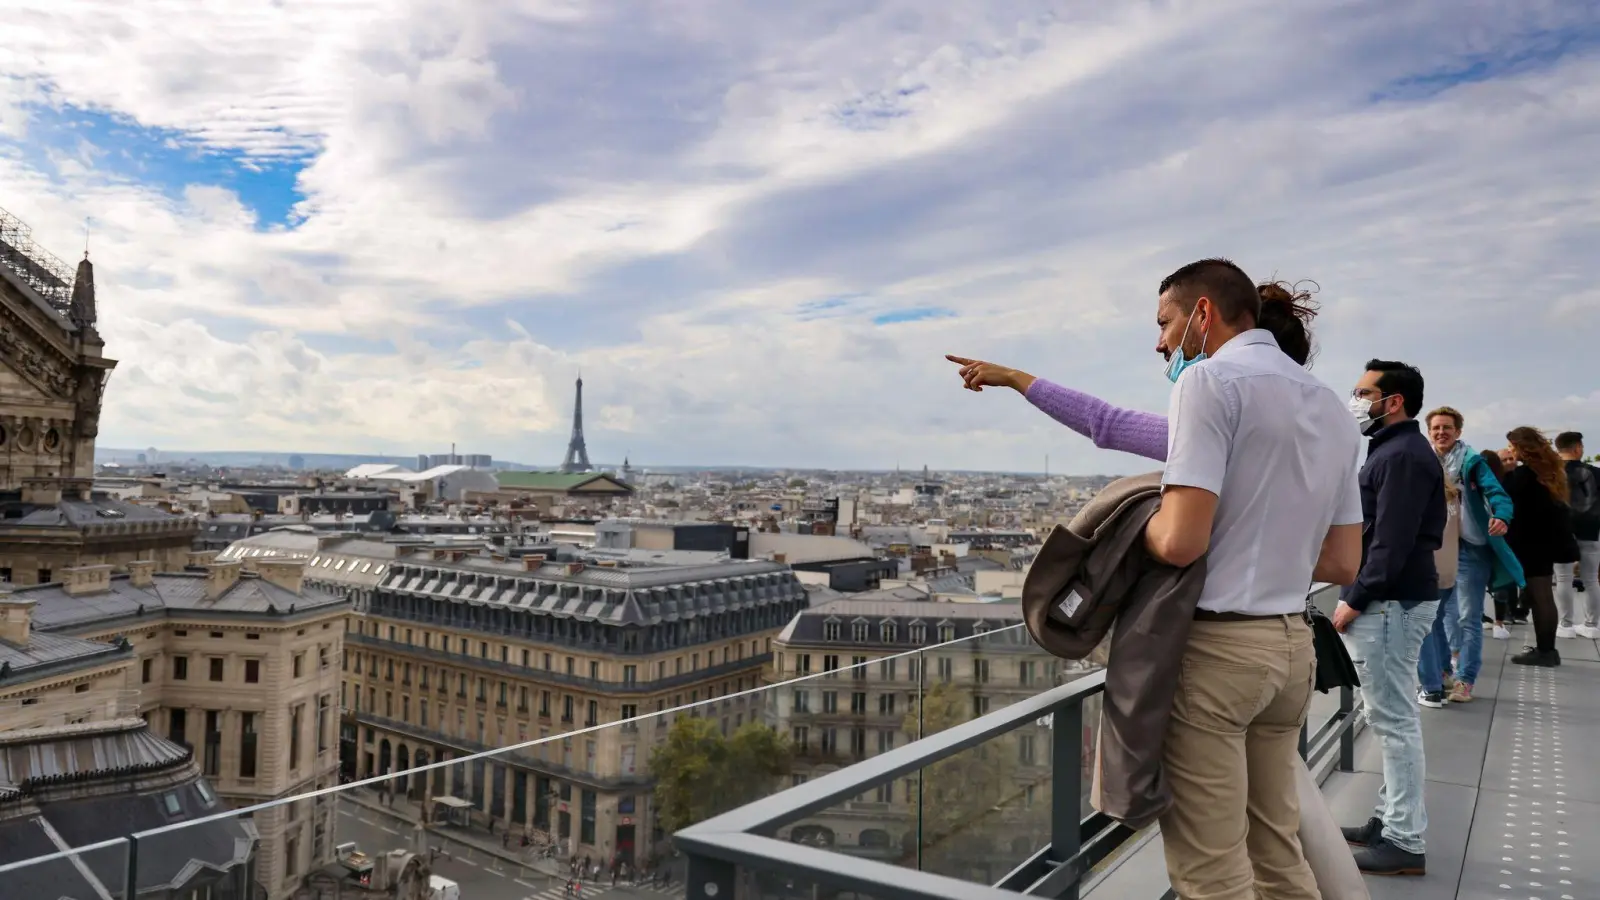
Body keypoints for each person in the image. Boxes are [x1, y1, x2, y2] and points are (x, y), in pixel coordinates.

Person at [1033, 258, 1360, 900]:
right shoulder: (1330, 407)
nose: (1159, 341)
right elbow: (1344, 562)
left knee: (1211, 868)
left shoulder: (1208, 382)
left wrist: (1133, 526)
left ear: (1203, 314)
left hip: (1216, 654)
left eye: (1166, 322)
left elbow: (1181, 542)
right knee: (1276, 846)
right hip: (1291, 648)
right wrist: (1261, 547)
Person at [1336, 359, 1446, 877]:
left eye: (1363, 392)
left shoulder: (1399, 456)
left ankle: (1404, 839)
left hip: (1389, 604)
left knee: (1395, 721)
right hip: (1396, 601)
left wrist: (1355, 597)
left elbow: (1390, 541)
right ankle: (1389, 820)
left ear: (1393, 400)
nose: (1355, 399)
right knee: (1390, 719)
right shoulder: (1397, 450)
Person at [1423, 407, 1520, 699]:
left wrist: (1501, 516)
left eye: (1447, 427)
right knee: (1433, 614)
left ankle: (1465, 679)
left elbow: (1497, 493)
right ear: (1429, 432)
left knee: (1468, 615)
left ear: (1458, 432)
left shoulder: (1471, 462)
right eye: (1436, 428)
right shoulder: (1424, 461)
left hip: (1470, 547)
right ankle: (1442, 671)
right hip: (1437, 546)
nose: (1441, 432)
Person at [1502, 427, 1579, 666]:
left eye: (1513, 447)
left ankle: (1546, 651)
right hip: (1546, 541)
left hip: (1531, 543)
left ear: (1523, 447)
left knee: (1539, 596)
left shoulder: (1525, 475)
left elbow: (1509, 498)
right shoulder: (1549, 471)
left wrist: (1506, 472)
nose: (1511, 451)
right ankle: (1547, 649)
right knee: (1543, 595)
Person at [1415, 465, 1460, 709]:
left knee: (1423, 628)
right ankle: (1444, 672)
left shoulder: (1426, 496)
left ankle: (1431, 688)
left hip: (1429, 569)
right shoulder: (1453, 497)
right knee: (1437, 623)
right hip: (1449, 569)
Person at [1553, 432, 1600, 638]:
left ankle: (1566, 625)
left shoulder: (1552, 473)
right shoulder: (1596, 473)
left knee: (1563, 578)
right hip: (1590, 530)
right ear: (1577, 448)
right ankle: (1591, 626)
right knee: (1591, 579)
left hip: (1560, 531)